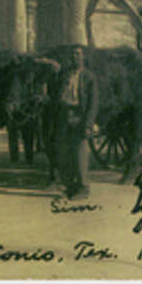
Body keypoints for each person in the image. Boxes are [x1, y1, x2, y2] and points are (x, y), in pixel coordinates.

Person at [54, 46, 98, 201]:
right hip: (64, 115)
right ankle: (69, 187)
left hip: (79, 116)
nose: (75, 58)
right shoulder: (65, 75)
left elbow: (93, 103)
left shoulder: (88, 77)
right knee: (64, 153)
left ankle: (83, 188)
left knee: (80, 154)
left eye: (78, 55)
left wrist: (88, 124)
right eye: (72, 55)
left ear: (83, 58)